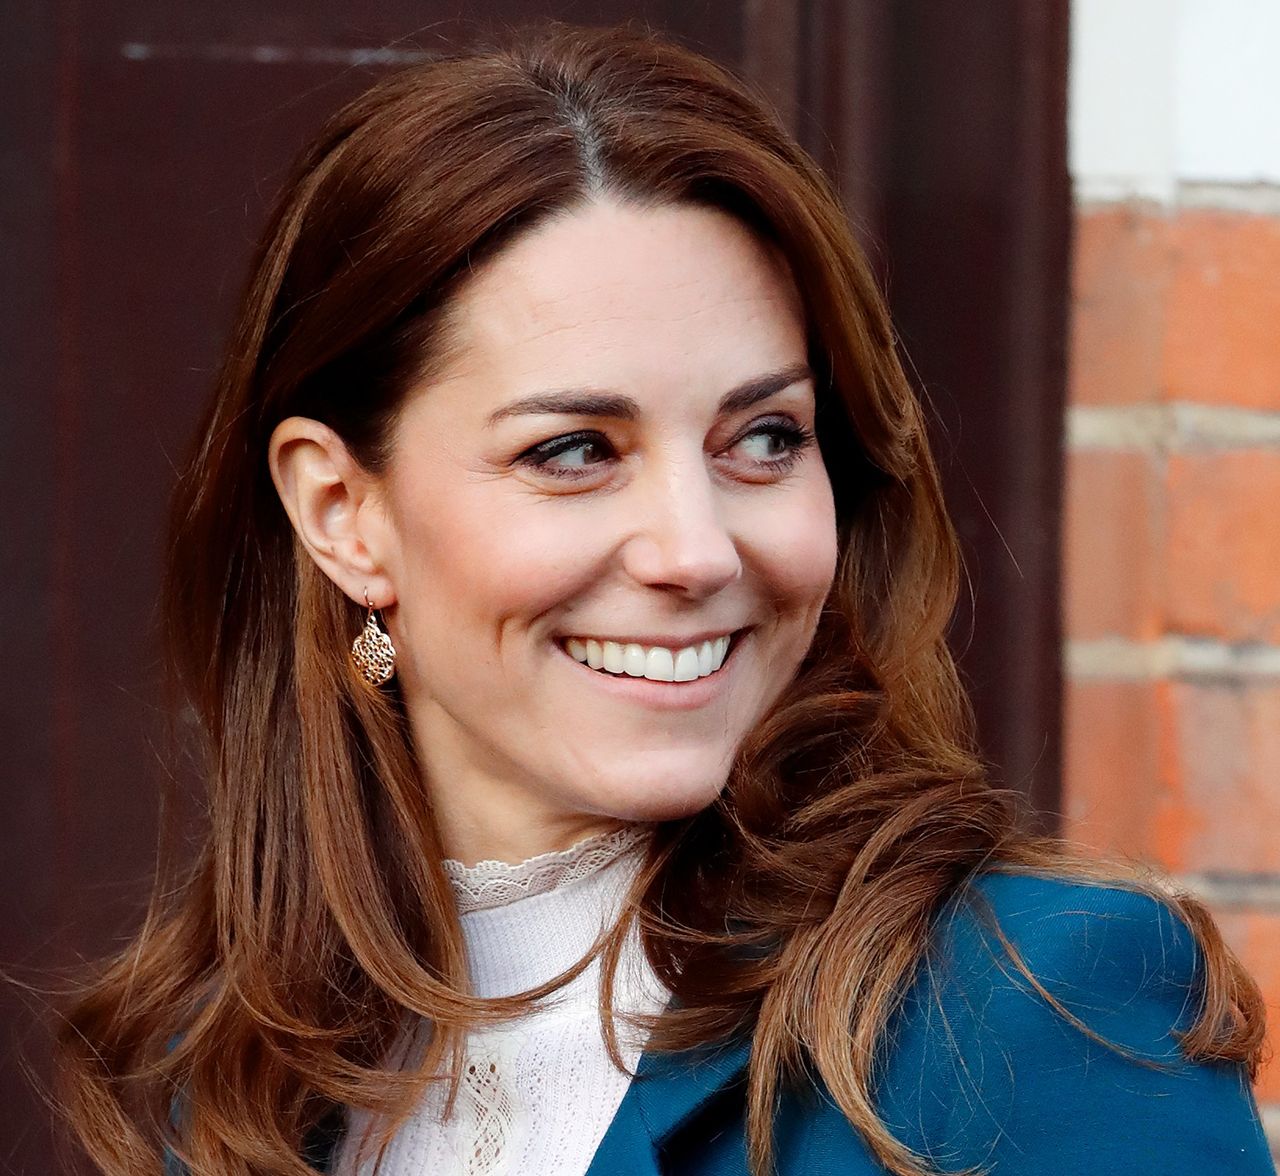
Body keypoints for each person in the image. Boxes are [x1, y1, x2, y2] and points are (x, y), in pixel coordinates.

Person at [56, 19, 1274, 1176]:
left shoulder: (1030, 1009)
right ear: (341, 513)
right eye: (575, 450)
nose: (693, 551)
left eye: (762, 438)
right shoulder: (217, 1083)